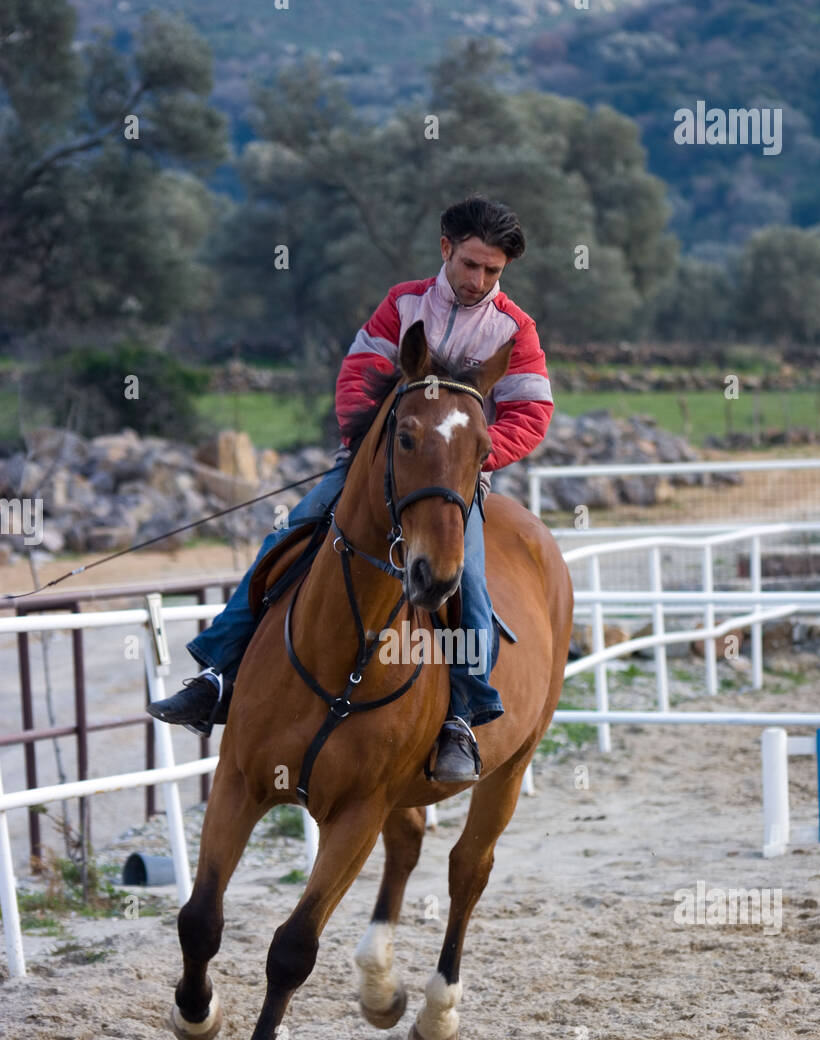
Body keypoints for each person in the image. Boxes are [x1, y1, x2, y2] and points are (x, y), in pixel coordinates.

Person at [147, 196, 554, 780]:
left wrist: (476, 457)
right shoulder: (403, 303)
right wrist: (370, 449)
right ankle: (216, 675)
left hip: (453, 484)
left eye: (492, 271)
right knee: (287, 536)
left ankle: (462, 716)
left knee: (470, 584)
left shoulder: (515, 329)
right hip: (375, 465)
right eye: (470, 265)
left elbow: (532, 413)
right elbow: (359, 376)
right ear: (446, 250)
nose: (479, 280)